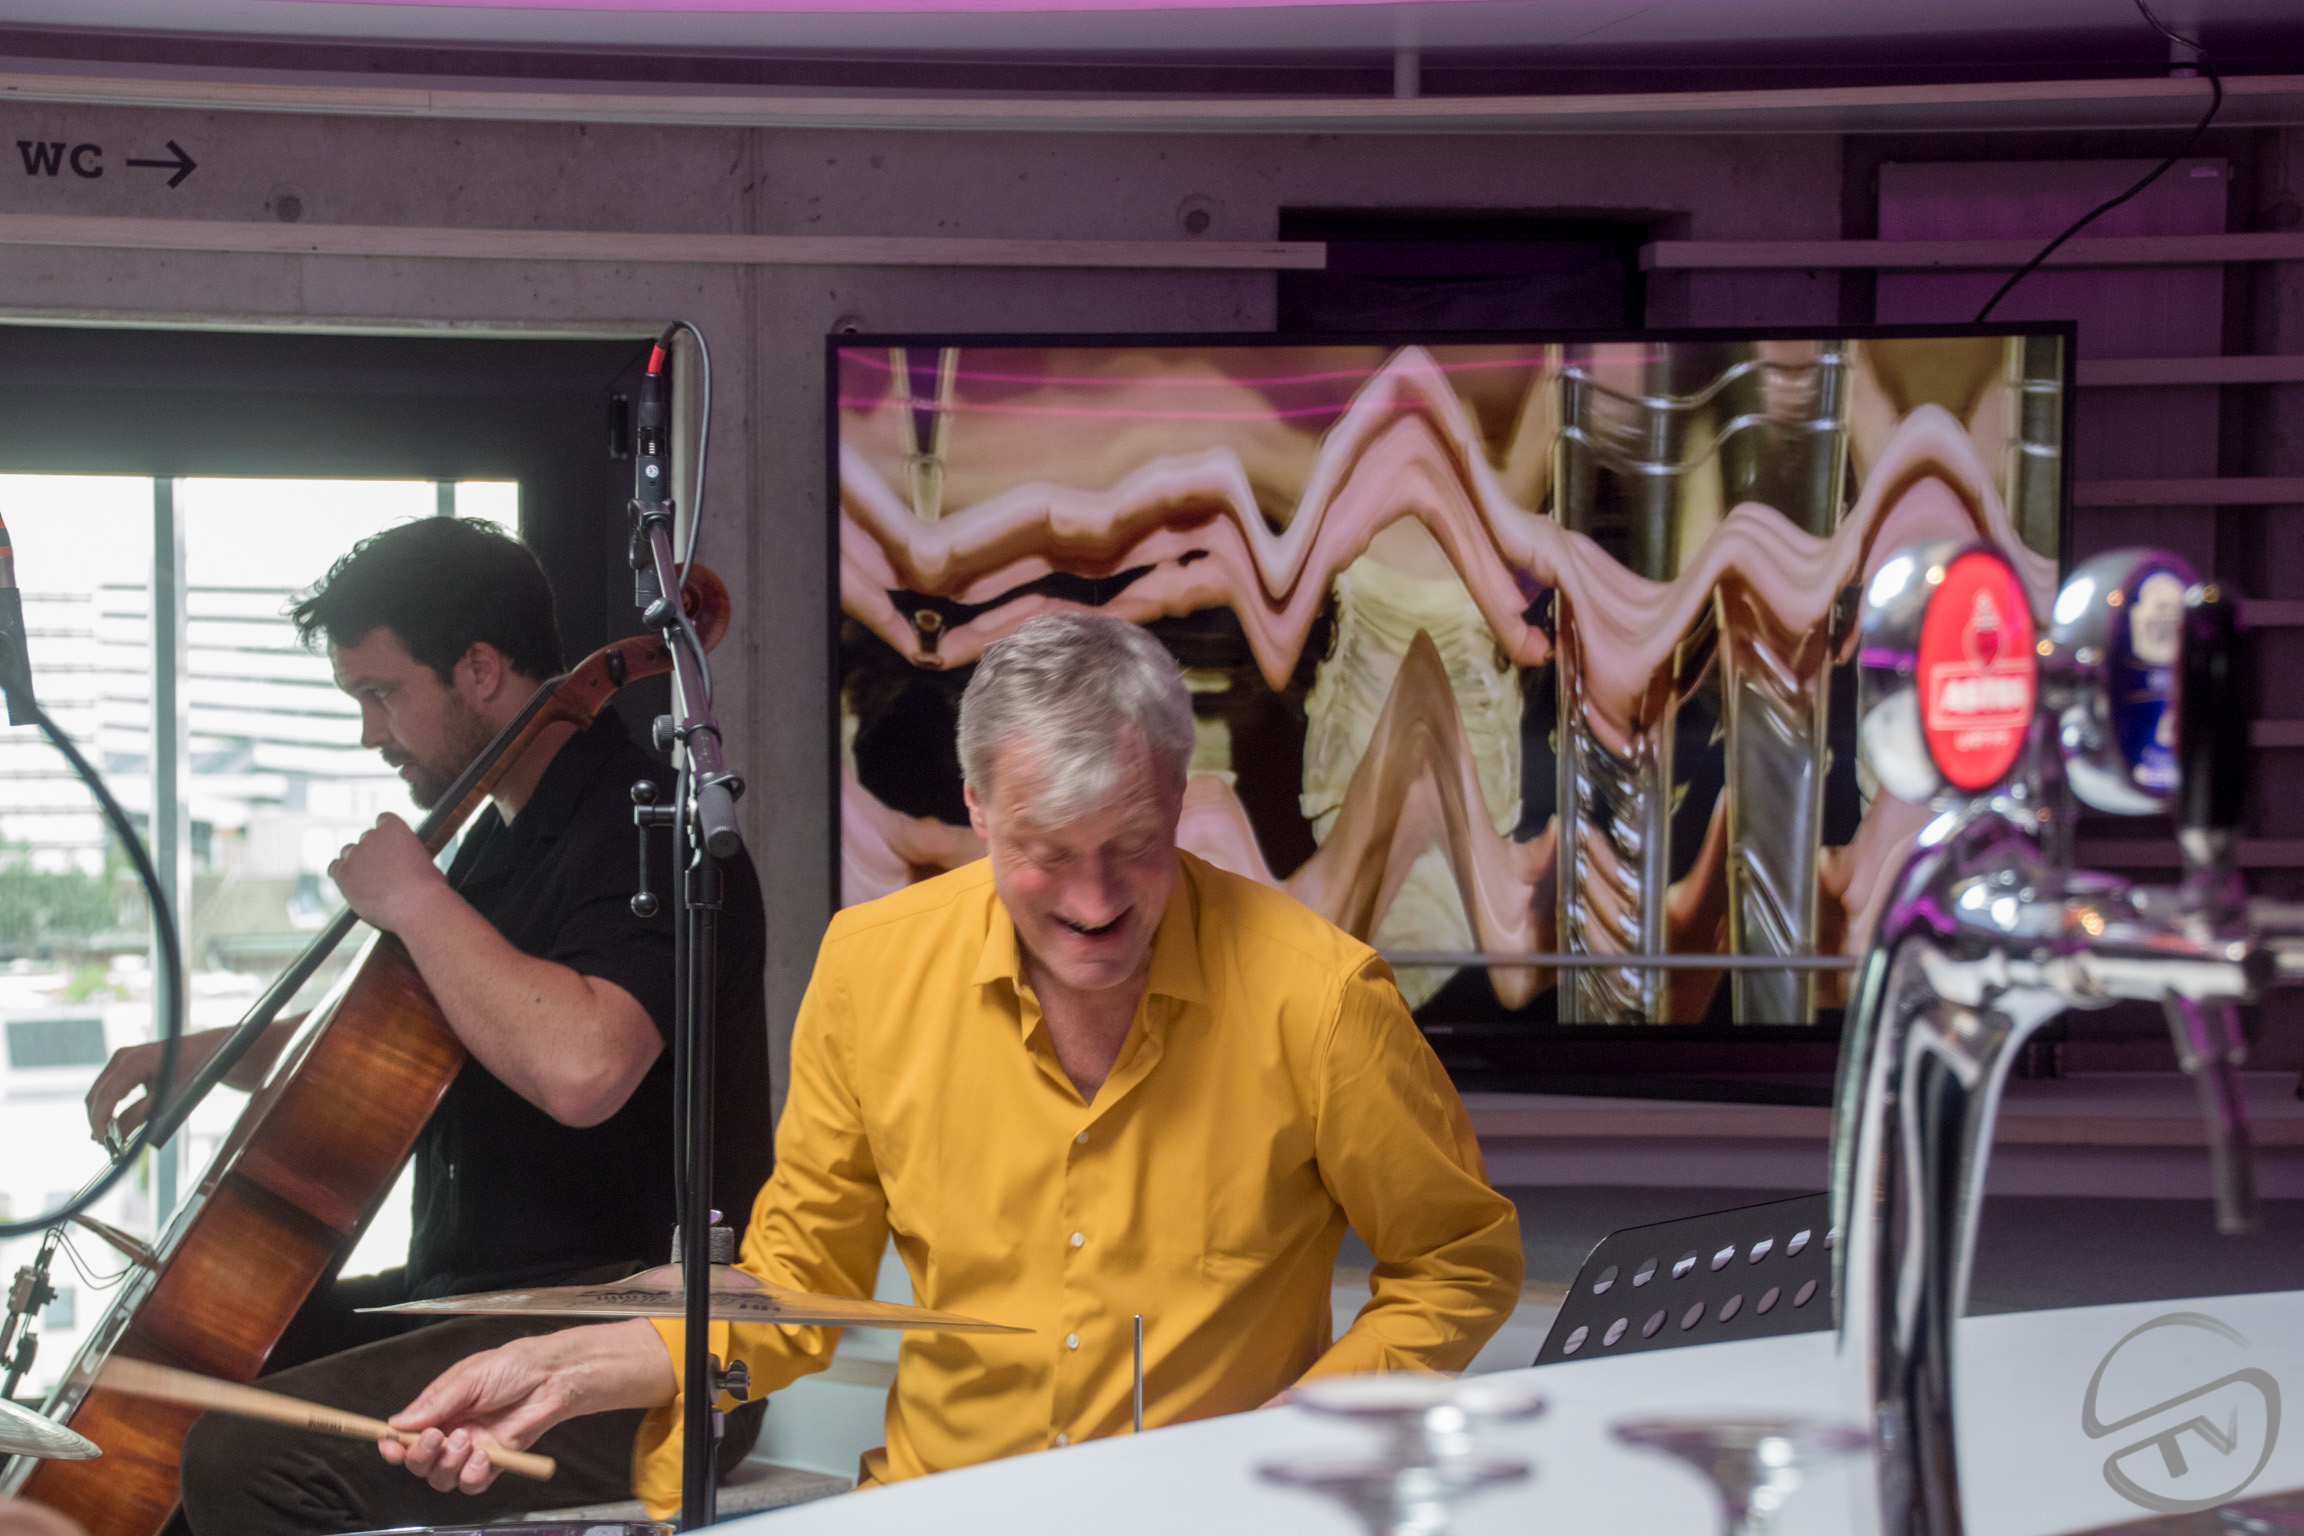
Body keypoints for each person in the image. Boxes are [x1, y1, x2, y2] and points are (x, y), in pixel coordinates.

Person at [380, 610, 1524, 1519]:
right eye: (1046, 854)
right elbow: (799, 1284)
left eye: (1131, 845)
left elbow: (1458, 1264)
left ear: (1182, 798)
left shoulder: (1324, 997)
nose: (1093, 902)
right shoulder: (872, 969)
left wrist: (1302, 1434)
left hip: (1210, 1514)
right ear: (977, 807)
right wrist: (571, 1368)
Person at [81, 518, 772, 1536]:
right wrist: (205, 1057)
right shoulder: (492, 851)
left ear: (479, 670)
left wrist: (413, 899)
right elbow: (398, 1035)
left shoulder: (651, 834)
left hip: (635, 1330)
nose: (372, 733)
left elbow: (583, 1067)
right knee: (191, 1375)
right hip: (481, 1297)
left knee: (243, 1457)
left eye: (382, 693)